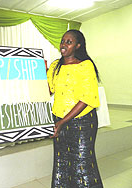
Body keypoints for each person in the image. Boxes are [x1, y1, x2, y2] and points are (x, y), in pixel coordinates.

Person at [47, 30, 103, 188]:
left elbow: (86, 98)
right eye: (62, 41)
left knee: (82, 164)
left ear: (78, 46)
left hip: (82, 122)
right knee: (61, 162)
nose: (63, 44)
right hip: (59, 119)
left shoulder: (86, 65)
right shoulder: (55, 66)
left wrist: (63, 121)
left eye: (68, 42)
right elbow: (48, 89)